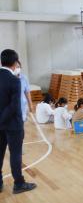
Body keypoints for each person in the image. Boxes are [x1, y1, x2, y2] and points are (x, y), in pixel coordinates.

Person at [0, 49, 36, 194]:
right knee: (15, 154)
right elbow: (14, 106)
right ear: (15, 63)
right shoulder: (14, 81)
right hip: (13, 124)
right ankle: (19, 184)